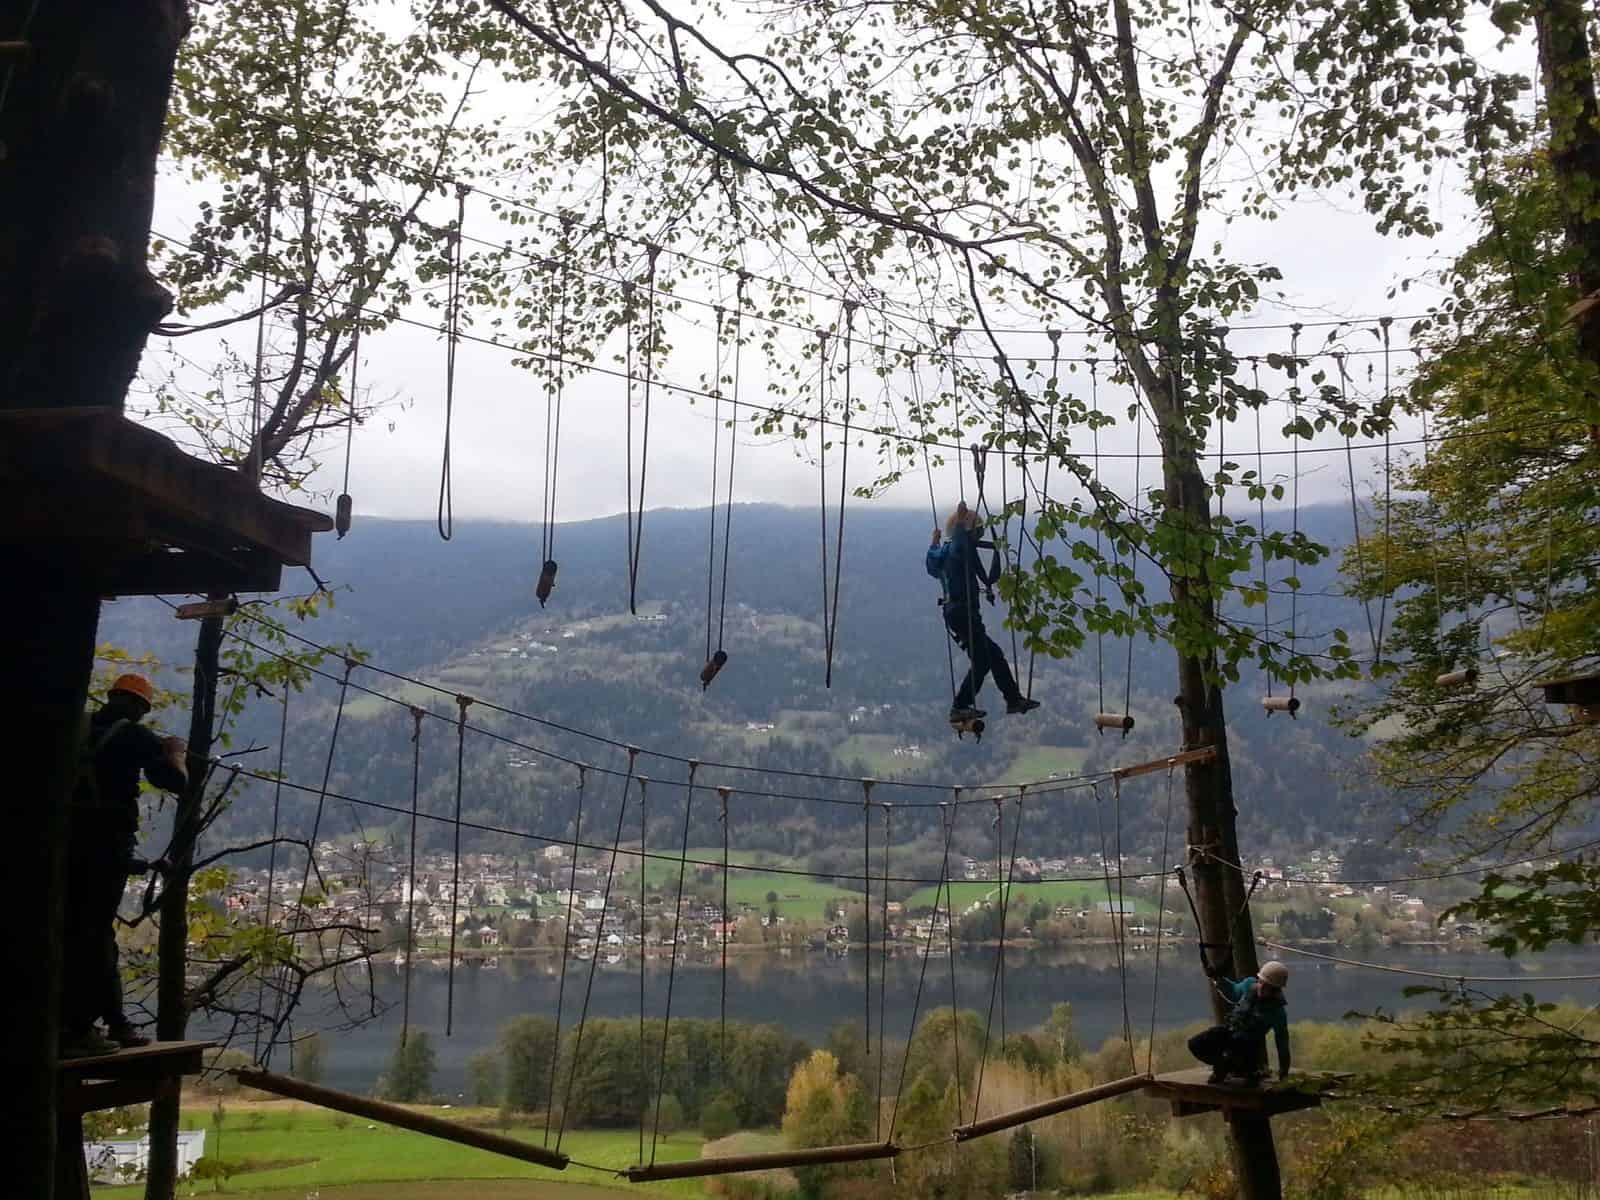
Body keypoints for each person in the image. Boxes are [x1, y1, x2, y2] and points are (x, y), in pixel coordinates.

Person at [62, 673, 188, 1057]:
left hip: (65, 849)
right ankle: (86, 1027)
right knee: (95, 936)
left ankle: (104, 1022)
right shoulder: (135, 737)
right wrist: (176, 753)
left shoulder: (74, 729)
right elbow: (176, 782)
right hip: (106, 850)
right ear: (139, 708)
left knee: (72, 931)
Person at [927, 502, 1040, 723]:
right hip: (963, 612)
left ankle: (1013, 699)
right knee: (982, 660)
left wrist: (934, 541)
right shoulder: (958, 550)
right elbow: (962, 545)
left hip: (956, 612)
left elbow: (932, 563)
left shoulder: (943, 553)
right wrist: (962, 522)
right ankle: (960, 706)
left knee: (993, 655)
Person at [1187, 960, 1291, 1085]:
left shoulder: (1277, 1012)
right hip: (1229, 1031)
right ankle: (1223, 1066)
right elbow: (1233, 991)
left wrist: (1283, 1072)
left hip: (1247, 1046)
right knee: (1195, 1044)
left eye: (1268, 986)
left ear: (1276, 990)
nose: (1262, 988)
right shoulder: (1249, 985)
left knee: (1238, 1050)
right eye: (1261, 982)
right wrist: (1217, 977)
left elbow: (1282, 1044)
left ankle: (1237, 1068)